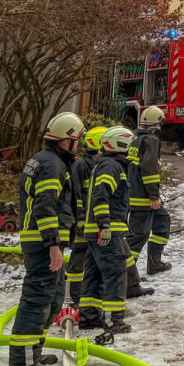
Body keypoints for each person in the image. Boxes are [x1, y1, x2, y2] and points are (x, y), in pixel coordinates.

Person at [10, 111, 84, 366]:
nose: (80, 146)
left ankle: (33, 353)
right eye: (78, 140)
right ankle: (23, 362)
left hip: (43, 240)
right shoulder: (52, 164)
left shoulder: (45, 160)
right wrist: (52, 244)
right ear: (68, 139)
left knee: (52, 300)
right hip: (43, 242)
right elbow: (45, 205)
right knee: (36, 302)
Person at [79, 126, 135, 336]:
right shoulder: (111, 166)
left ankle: (89, 317)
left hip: (98, 231)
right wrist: (104, 226)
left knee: (93, 274)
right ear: (120, 144)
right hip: (106, 232)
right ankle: (114, 321)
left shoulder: (106, 165)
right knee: (115, 273)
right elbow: (101, 196)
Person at [126, 106, 172, 299]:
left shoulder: (135, 138)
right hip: (142, 197)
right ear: (158, 122)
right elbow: (149, 170)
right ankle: (127, 280)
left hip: (136, 193)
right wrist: (153, 196)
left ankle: (154, 263)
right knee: (137, 237)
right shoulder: (151, 140)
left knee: (162, 222)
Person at [65, 125, 105, 314]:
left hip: (93, 222)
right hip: (82, 223)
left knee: (93, 258)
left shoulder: (98, 166)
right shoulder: (81, 166)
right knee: (78, 259)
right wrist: (80, 221)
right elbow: (75, 195)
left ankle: (92, 294)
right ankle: (75, 297)